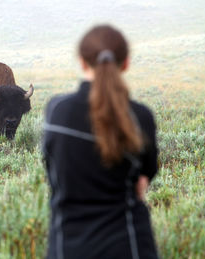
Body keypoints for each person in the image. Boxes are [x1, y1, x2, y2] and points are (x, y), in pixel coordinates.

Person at [42, 25, 159, 259]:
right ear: (125, 63)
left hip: (68, 246)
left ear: (82, 62)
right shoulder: (140, 117)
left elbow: (52, 170)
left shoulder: (57, 111)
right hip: (129, 244)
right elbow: (143, 182)